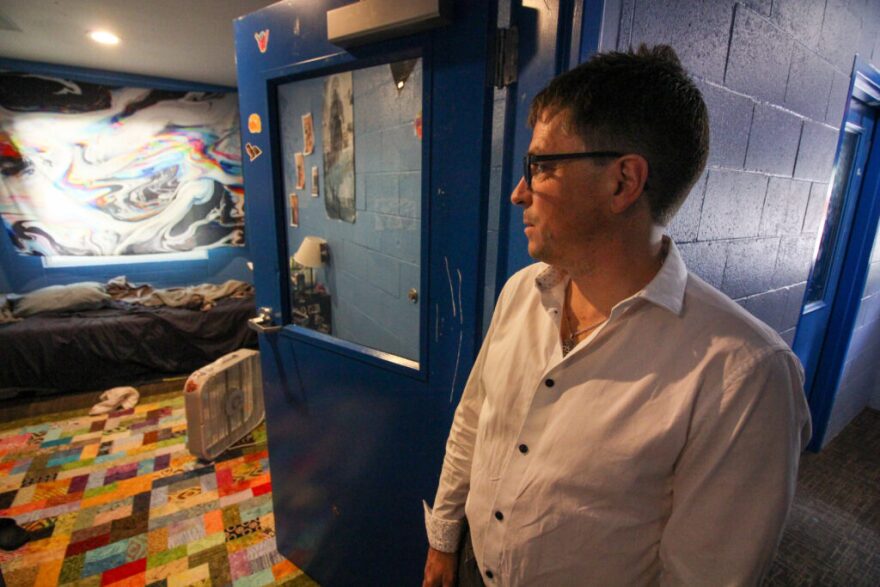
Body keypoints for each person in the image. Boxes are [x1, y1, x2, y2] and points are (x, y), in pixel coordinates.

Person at [422, 45, 812, 587]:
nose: (518, 192)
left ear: (623, 182)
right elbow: (475, 420)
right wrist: (444, 541)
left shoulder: (742, 375)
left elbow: (703, 577)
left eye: (540, 167)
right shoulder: (522, 292)